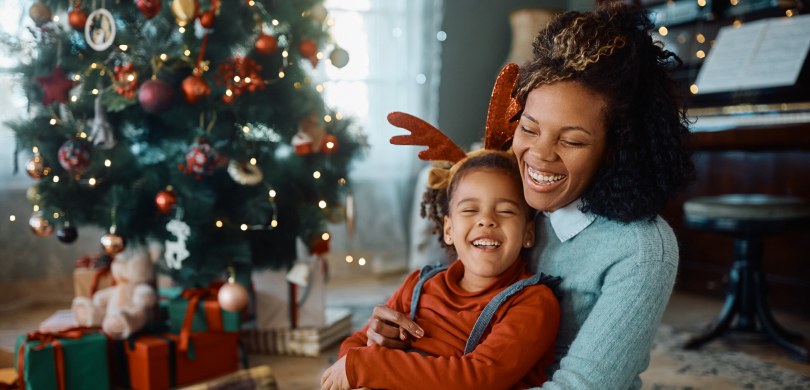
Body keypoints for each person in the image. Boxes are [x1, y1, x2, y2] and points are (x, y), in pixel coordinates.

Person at [360, 2, 695, 389]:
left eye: (571, 140)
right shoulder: (513, 203)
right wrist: (389, 341)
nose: (539, 156)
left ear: (617, 148)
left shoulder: (642, 250)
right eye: (530, 129)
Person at [321, 149, 561, 390]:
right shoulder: (419, 284)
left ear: (528, 233)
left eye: (505, 211)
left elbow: (479, 377)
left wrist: (370, 366)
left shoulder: (534, 302)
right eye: (469, 210)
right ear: (449, 229)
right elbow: (355, 347)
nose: (486, 220)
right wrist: (366, 353)